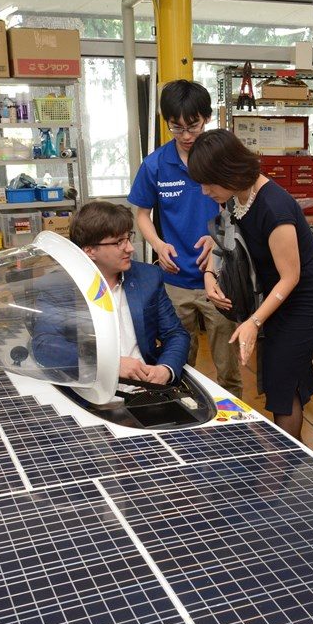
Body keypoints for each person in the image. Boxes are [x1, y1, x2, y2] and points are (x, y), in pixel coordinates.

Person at [186, 129, 313, 440]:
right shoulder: (234, 198)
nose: (203, 191)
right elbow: (223, 239)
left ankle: (284, 462)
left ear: (228, 171)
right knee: (281, 374)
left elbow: (291, 276)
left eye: (208, 182)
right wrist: (209, 275)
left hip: (306, 300)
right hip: (276, 296)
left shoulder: (274, 208)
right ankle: (288, 456)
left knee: (281, 377)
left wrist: (254, 321)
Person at [128, 80, 243, 396]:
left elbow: (241, 205)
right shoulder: (155, 165)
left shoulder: (223, 157)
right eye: (176, 128)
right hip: (175, 281)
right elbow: (141, 213)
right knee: (177, 365)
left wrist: (219, 240)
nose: (187, 136)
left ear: (206, 117)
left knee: (229, 370)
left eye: (193, 126)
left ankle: (232, 436)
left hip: (222, 278)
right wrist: (158, 244)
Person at [31, 200, 190, 386]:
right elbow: (45, 346)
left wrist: (166, 369)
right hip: (90, 388)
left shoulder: (147, 277)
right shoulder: (58, 287)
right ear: (89, 251)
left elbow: (176, 334)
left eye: (128, 238)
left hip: (145, 387)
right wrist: (111, 364)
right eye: (119, 242)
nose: (130, 248)